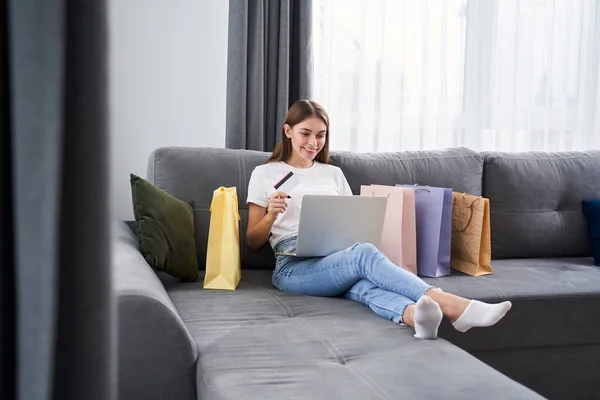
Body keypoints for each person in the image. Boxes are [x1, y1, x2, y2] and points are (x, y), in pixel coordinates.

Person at [246, 99, 511, 339]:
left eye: (321, 135)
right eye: (305, 133)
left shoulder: (333, 174)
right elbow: (253, 241)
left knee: (362, 285)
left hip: (333, 258)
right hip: (292, 268)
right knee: (364, 255)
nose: (313, 143)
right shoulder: (265, 173)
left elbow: (348, 222)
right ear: (288, 131)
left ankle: (415, 317)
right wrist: (271, 215)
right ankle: (454, 306)